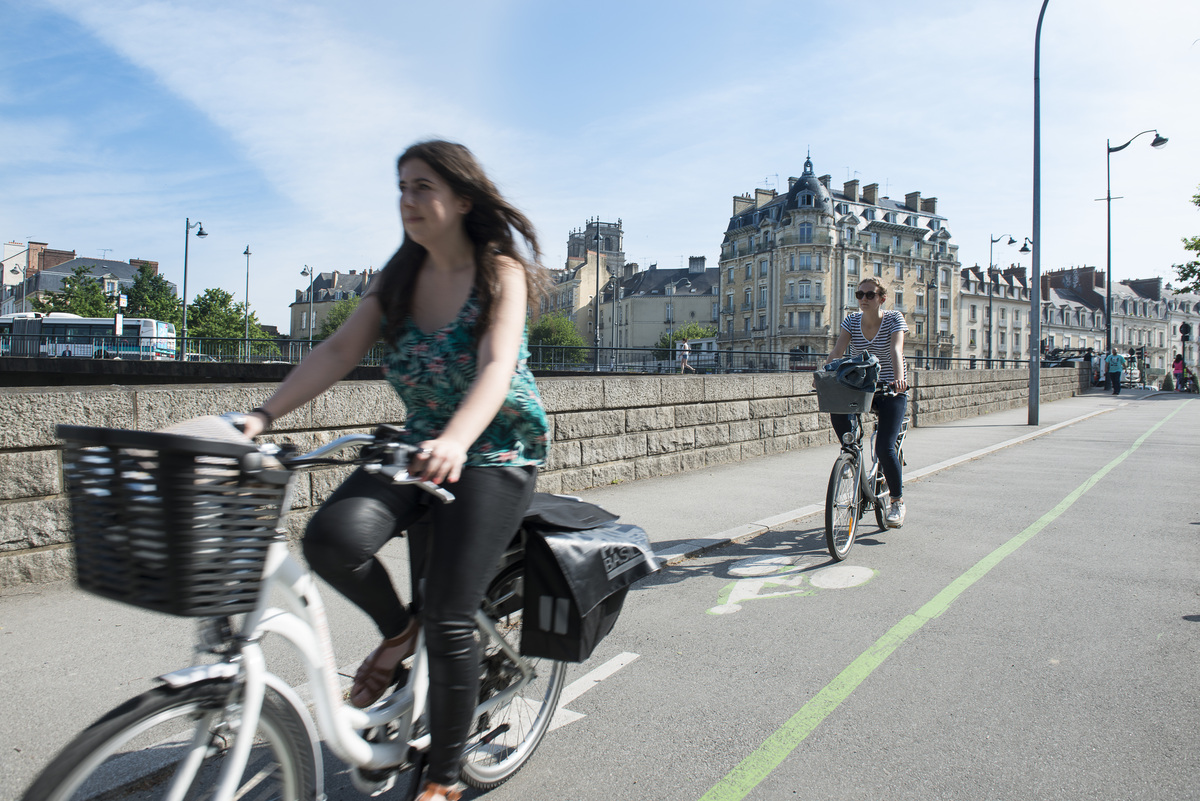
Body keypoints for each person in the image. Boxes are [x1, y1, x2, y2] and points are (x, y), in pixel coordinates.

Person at [241, 141, 550, 801]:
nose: (407, 201)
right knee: (332, 537)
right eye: (401, 188)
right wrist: (261, 417)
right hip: (418, 443)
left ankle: (442, 778)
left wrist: (459, 439)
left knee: (449, 611)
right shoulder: (401, 274)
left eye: (422, 187)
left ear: (463, 199)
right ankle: (396, 630)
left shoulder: (502, 272)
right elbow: (338, 349)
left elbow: (497, 365)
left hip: (494, 450)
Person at [825, 278, 909, 527]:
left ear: (881, 298)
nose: (863, 298)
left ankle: (897, 502)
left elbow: (896, 350)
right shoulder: (851, 321)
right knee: (838, 411)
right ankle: (851, 456)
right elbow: (837, 352)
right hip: (860, 387)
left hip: (890, 388)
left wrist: (899, 380)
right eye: (859, 294)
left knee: (885, 447)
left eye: (870, 295)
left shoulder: (894, 319)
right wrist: (823, 376)